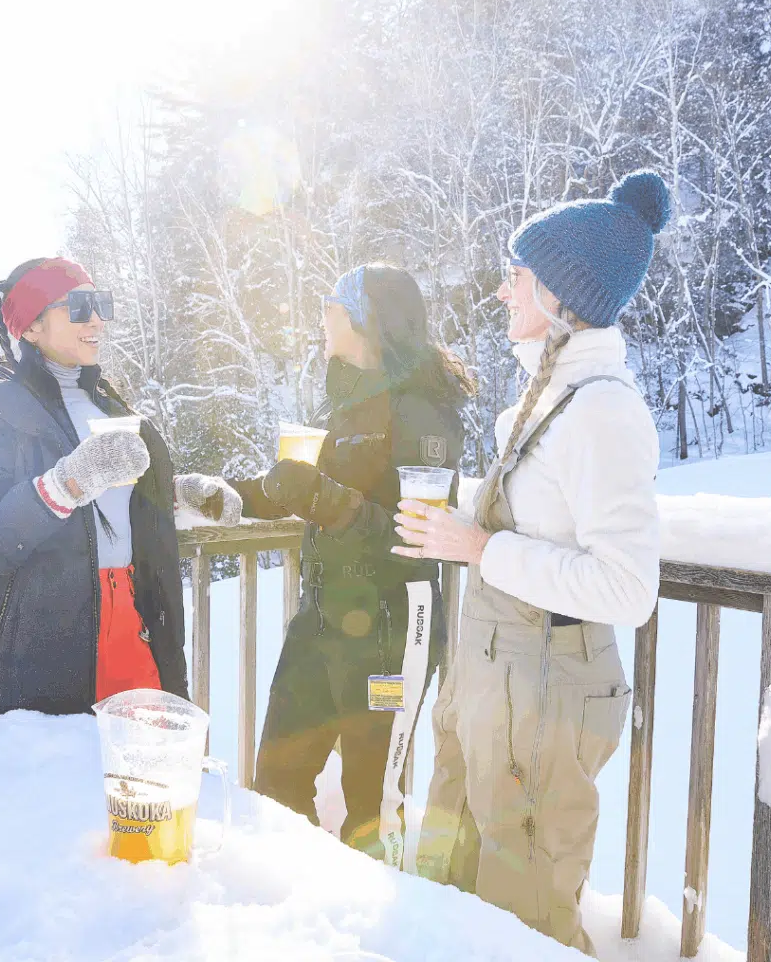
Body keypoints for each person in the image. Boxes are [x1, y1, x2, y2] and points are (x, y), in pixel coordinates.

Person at [394, 172, 669, 954]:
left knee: (526, 924)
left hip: (546, 698)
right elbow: (542, 518)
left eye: (516, 275)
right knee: (452, 893)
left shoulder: (604, 410)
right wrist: (459, 526)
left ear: (559, 294)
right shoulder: (543, 400)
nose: (502, 290)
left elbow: (628, 588)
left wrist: (481, 548)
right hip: (494, 684)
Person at [231, 264, 472, 865]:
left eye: (331, 306)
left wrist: (321, 498)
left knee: (372, 809)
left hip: (391, 625)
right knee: (277, 781)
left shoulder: (422, 411)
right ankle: (302, 899)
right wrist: (229, 497)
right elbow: (316, 488)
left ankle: (374, 917)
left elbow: (418, 534)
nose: (322, 317)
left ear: (364, 319)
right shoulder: (348, 398)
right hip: (323, 614)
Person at [0, 257, 241, 724]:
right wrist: (67, 483)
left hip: (132, 619)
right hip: (40, 639)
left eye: (101, 304)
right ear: (31, 326)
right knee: (61, 769)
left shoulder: (106, 401)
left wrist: (180, 494)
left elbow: (113, 499)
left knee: (140, 766)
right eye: (79, 306)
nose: (97, 320)